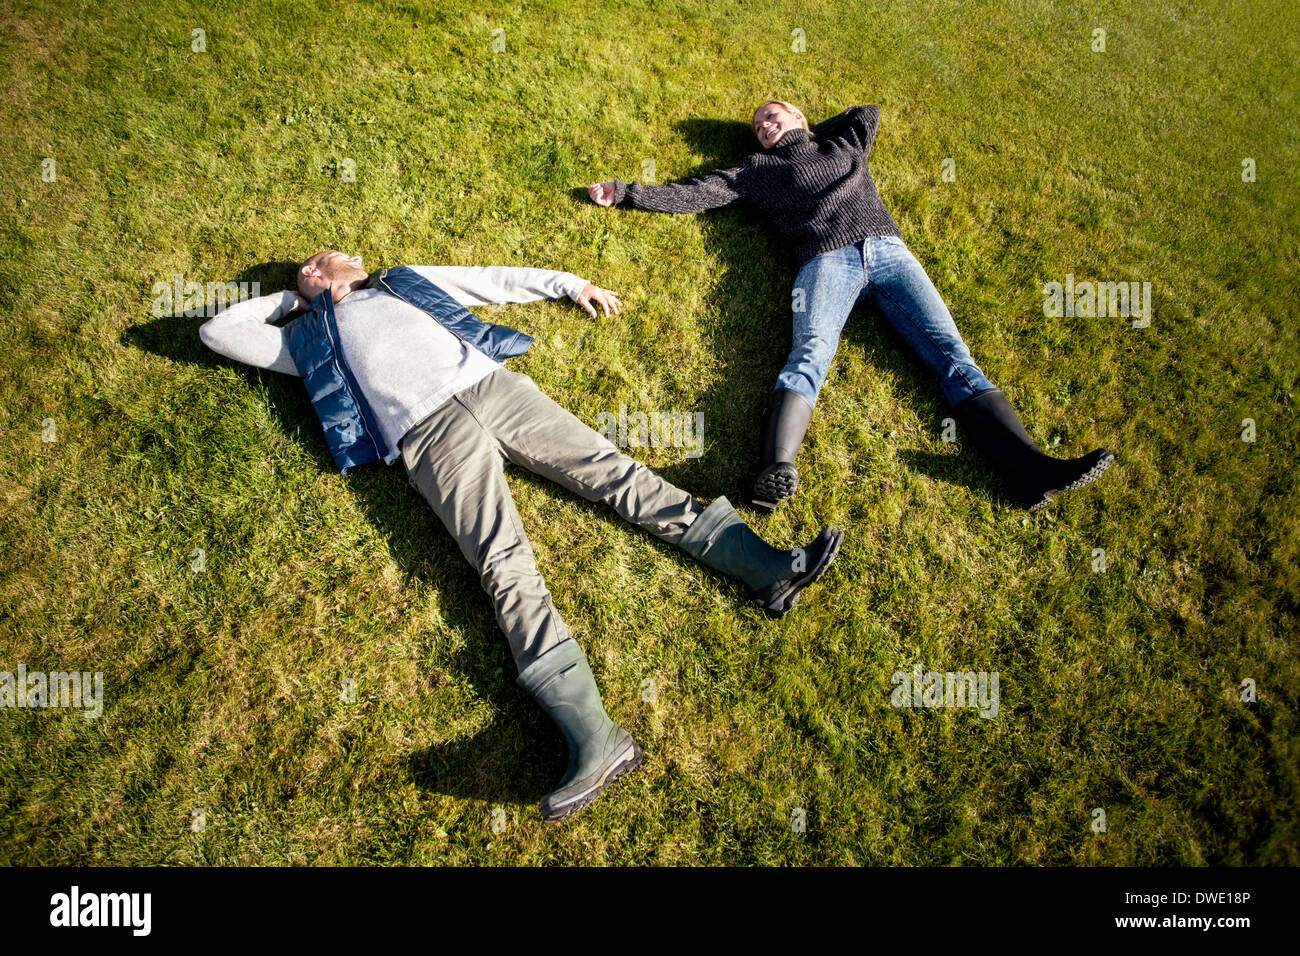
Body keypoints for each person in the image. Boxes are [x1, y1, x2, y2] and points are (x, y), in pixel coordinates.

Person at [198, 250, 843, 823]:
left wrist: (566, 283)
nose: (324, 260)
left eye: (330, 256)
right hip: (428, 439)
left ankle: (768, 568)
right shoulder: (307, 341)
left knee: (616, 474)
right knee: (502, 563)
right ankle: (592, 735)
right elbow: (218, 331)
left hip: (495, 388)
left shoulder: (400, 282)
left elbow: (488, 282)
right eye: (312, 264)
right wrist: (297, 299)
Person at [588, 100, 1115, 513]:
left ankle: (1031, 470)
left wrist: (808, 130)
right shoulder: (756, 169)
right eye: (757, 125)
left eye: (772, 116)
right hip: (824, 263)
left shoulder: (845, 142)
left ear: (799, 116)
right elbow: (696, 193)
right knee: (810, 353)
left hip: (889, 252)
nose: (763, 126)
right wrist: (626, 192)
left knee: (954, 357)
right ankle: (776, 470)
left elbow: (869, 112)